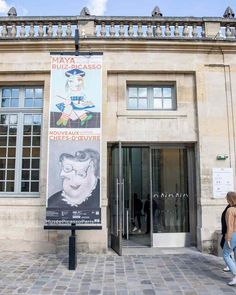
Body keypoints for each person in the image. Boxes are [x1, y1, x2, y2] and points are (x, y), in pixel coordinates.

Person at [223, 191, 236, 286]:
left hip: (233, 234)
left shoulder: (230, 210)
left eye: (227, 198)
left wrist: (227, 237)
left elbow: (230, 226)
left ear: (229, 199)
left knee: (226, 255)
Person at [220, 204, 232, 272]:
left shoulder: (232, 208)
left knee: (225, 250)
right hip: (228, 231)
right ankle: (230, 264)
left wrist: (227, 233)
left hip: (230, 232)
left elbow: (230, 222)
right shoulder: (230, 206)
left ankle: (230, 266)